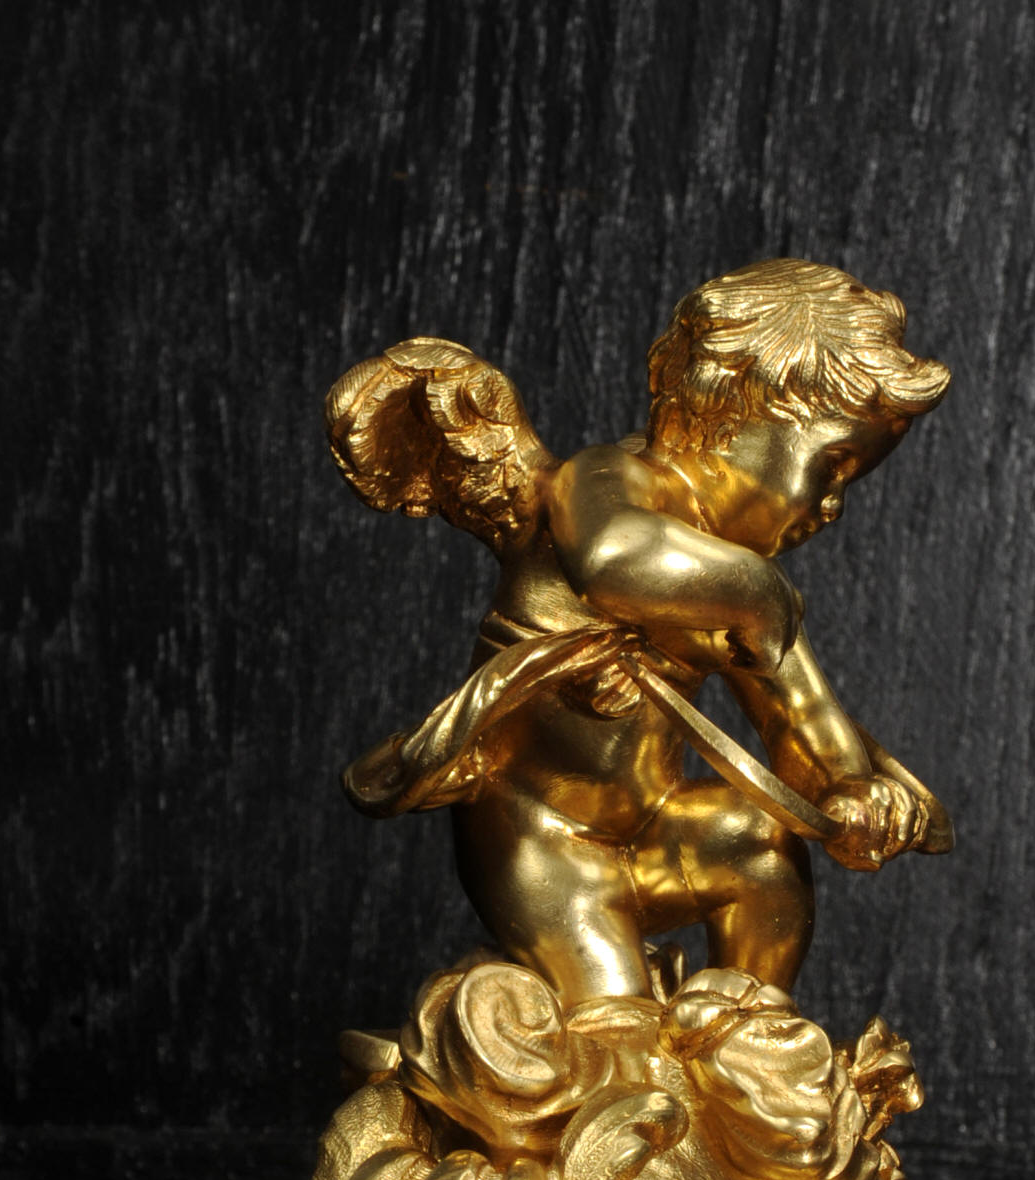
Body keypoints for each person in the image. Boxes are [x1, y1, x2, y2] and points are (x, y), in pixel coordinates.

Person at [330, 260, 951, 1004]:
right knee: (614, 1032)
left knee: (763, 843)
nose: (833, 505)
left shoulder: (741, 588)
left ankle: (745, 1027)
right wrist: (755, 592)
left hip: (656, 827)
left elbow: (802, 715)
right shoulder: (608, 483)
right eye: (833, 466)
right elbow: (612, 558)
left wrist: (851, 791)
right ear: (727, 418)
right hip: (545, 844)